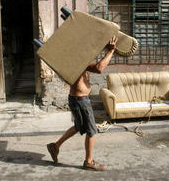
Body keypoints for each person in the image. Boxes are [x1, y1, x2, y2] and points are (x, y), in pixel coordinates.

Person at [47, 36, 118, 171]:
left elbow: (94, 67)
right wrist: (110, 51)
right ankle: (88, 162)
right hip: (81, 101)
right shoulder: (77, 60)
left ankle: (55, 146)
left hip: (75, 99)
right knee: (91, 130)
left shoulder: (75, 60)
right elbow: (99, 68)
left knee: (78, 127)